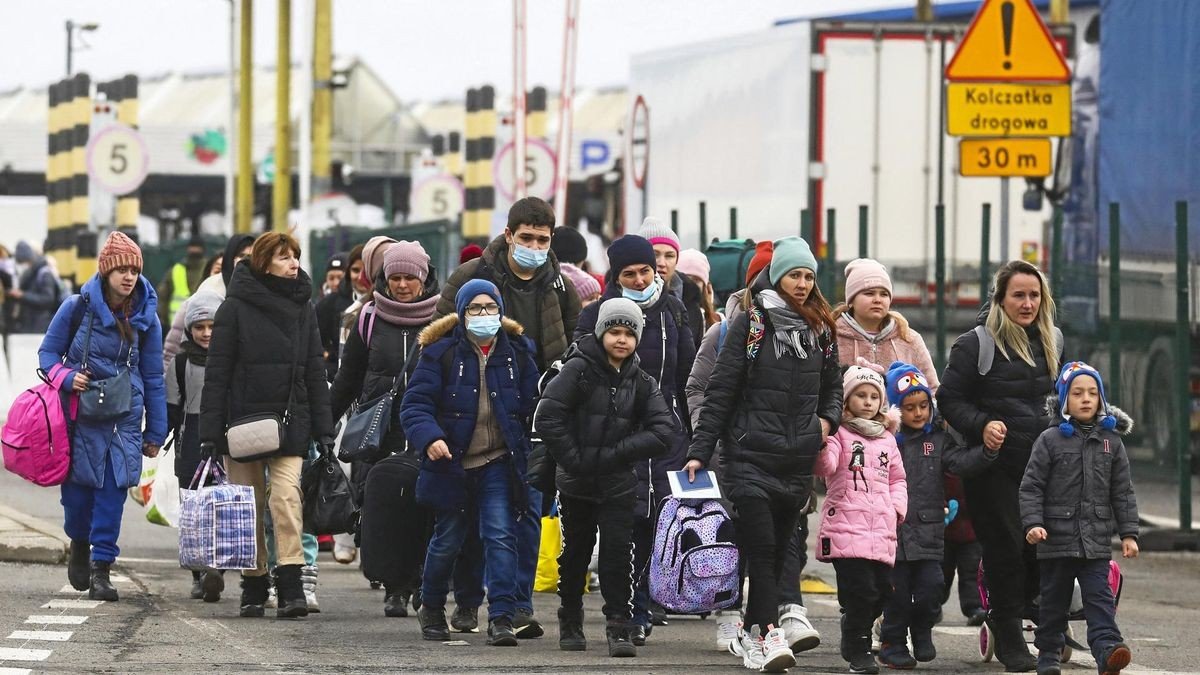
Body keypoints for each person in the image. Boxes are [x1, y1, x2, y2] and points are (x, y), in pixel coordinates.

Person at [685, 237, 841, 672]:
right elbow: (719, 390)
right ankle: (766, 635)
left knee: (778, 550)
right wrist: (701, 451)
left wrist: (823, 425)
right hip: (748, 456)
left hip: (794, 460)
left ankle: (751, 632)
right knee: (763, 543)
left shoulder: (820, 329)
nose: (803, 284)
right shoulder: (751, 325)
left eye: (809, 276)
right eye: (795, 275)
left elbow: (833, 388)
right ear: (777, 276)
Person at [434, 197, 582, 637]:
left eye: (543, 239)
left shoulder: (560, 286)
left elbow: (578, 347)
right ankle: (467, 601)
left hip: (535, 419)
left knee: (529, 512)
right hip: (477, 418)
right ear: (509, 235)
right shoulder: (472, 277)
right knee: (478, 518)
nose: (534, 246)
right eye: (527, 238)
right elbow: (439, 341)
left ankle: (518, 604)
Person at [199, 232, 334, 620]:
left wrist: (324, 432)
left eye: (295, 256)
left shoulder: (302, 306)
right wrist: (210, 434)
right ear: (263, 263)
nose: (294, 263)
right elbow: (217, 374)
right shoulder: (235, 308)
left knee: (287, 498)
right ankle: (254, 583)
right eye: (283, 257)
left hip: (291, 421)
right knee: (248, 506)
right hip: (241, 423)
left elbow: (313, 369)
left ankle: (290, 583)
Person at [936, 259, 1062, 672]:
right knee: (1006, 548)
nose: (1027, 304)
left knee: (1041, 547)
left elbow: (1061, 396)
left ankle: (1041, 620)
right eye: (1018, 295)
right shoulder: (976, 344)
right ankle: (1008, 629)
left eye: (1034, 295)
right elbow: (950, 400)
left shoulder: (1053, 341)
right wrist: (983, 424)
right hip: (993, 467)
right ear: (1001, 299)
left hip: (1041, 467)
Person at [400, 279, 539, 647]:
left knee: (500, 536)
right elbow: (414, 405)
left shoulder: (519, 353)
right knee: (447, 540)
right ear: (461, 315)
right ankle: (431, 607)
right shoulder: (439, 353)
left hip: (499, 463)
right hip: (452, 464)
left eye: (490, 308)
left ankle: (502, 617)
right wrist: (430, 438)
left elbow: (532, 407)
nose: (484, 315)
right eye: (475, 309)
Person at [534, 298, 675, 658]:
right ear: (600, 333)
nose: (622, 340)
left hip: (618, 483)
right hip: (576, 482)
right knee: (576, 552)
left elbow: (663, 431)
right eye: (614, 331)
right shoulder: (577, 369)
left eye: (629, 333)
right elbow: (548, 417)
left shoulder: (642, 381)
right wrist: (575, 459)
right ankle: (570, 617)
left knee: (616, 554)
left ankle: (619, 624)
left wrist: (615, 454)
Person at [575, 234, 695, 642]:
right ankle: (625, 608)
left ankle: (642, 607)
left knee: (657, 522)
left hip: (665, 435)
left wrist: (690, 433)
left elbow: (688, 376)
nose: (642, 279)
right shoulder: (594, 316)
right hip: (615, 438)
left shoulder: (674, 311)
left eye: (646, 270)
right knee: (624, 523)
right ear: (616, 275)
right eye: (631, 273)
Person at [38, 232, 167, 602]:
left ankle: (102, 569)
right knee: (77, 501)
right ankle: (79, 542)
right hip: (79, 419)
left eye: (133, 269)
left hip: (122, 421)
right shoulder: (76, 307)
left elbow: (154, 377)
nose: (128, 277)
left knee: (112, 497)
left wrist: (156, 430)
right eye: (121, 269)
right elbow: (47, 355)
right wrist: (66, 377)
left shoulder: (147, 318)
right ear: (106, 271)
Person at [329, 241, 440, 617]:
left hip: (430, 426)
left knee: (429, 504)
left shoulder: (444, 317)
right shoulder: (368, 319)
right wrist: (324, 424)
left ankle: (425, 581)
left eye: (411, 277)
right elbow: (349, 377)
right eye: (395, 278)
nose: (403, 285)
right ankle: (395, 586)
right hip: (382, 429)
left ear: (424, 279)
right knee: (389, 507)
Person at [1019, 361, 1138, 675]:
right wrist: (1033, 523)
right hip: (1055, 540)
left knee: (1099, 599)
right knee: (1054, 601)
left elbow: (1122, 491)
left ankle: (1108, 649)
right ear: (1063, 400)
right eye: (1077, 393)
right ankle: (1047, 655)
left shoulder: (1112, 442)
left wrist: (1128, 533)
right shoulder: (1050, 439)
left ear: (1101, 398)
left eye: (1092, 392)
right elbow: (1031, 486)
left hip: (1095, 542)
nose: (1086, 398)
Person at [877, 360, 994, 669]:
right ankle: (892, 643)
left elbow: (961, 464)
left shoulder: (938, 441)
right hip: (893, 536)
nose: (918, 413)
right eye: (909, 407)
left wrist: (988, 452)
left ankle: (921, 628)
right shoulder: (886, 442)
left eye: (923, 406)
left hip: (930, 534)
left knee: (932, 591)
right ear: (893, 408)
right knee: (897, 596)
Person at [814, 365, 906, 675]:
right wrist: (822, 439)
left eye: (873, 396)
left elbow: (897, 478)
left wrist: (896, 507)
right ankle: (859, 649)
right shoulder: (840, 432)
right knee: (860, 592)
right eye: (860, 395)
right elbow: (825, 467)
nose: (867, 402)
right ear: (847, 399)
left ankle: (856, 630)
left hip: (881, 527)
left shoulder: (888, 440)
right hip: (846, 526)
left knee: (881, 592)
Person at [165, 289, 224, 603]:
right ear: (189, 329)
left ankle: (215, 567)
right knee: (193, 506)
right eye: (199, 327)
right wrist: (157, 437)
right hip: (190, 439)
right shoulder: (181, 362)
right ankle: (199, 572)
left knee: (220, 503)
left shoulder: (229, 360)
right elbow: (172, 407)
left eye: (212, 326)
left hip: (223, 437)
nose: (206, 333)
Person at [834, 259, 938, 389]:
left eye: (884, 294)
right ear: (851, 300)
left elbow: (932, 389)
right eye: (869, 293)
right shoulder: (832, 337)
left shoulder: (909, 339)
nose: (877, 300)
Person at [162, 234, 256, 371]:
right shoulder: (212, 286)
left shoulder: (265, 289)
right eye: (241, 255)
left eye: (252, 256)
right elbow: (175, 345)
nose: (247, 261)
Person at [638, 218, 704, 350]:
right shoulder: (621, 298)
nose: (662, 263)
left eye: (669, 256)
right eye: (655, 254)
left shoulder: (690, 300)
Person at [316, 244, 365, 383]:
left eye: (339, 276)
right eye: (355, 270)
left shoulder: (381, 303)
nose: (361, 276)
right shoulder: (326, 304)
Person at [942, 473, 987, 625]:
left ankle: (974, 607)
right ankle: (933, 606)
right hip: (943, 529)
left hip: (972, 530)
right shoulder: (944, 464)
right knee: (941, 571)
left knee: (972, 571)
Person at [11, 240, 66, 333]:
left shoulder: (44, 274)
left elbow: (48, 299)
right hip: (31, 324)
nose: (23, 266)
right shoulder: (30, 274)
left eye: (23, 262)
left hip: (41, 325)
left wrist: (23, 295)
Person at [156, 234, 207, 328]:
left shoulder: (209, 269)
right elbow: (163, 296)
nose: (195, 249)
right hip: (177, 326)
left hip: (202, 326)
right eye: (193, 246)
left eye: (197, 247)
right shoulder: (176, 270)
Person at [677, 248, 719, 330]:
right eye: (685, 278)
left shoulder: (718, 324)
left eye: (696, 280)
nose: (690, 284)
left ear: (705, 286)